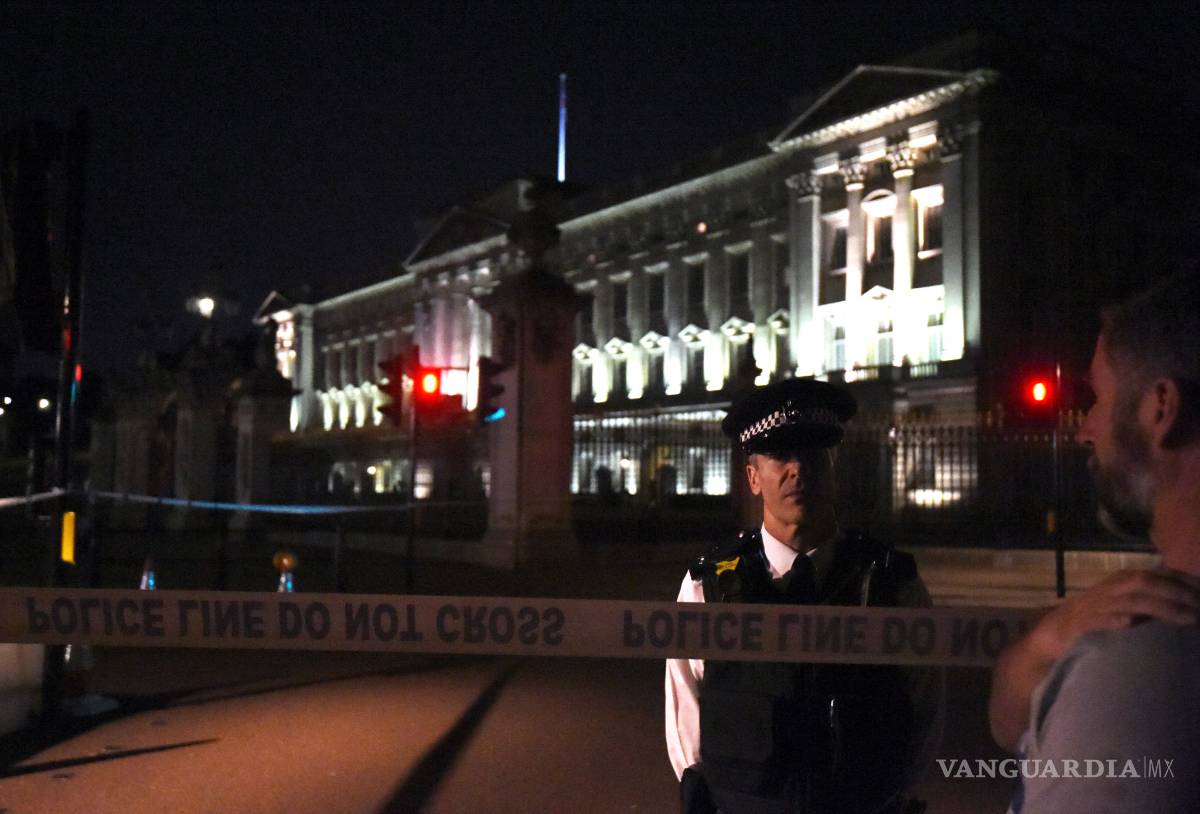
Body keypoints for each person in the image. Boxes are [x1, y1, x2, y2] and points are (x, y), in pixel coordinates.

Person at [665, 378, 941, 814]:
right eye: (780, 455)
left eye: (812, 453)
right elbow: (687, 720)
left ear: (831, 466)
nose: (798, 469)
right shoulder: (708, 585)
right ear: (753, 477)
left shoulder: (890, 582)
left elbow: (924, 710)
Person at [988, 269, 1200, 812]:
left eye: (1098, 398)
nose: (1084, 428)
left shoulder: (1138, 676)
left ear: (1160, 409)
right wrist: (1048, 640)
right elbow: (1008, 725)